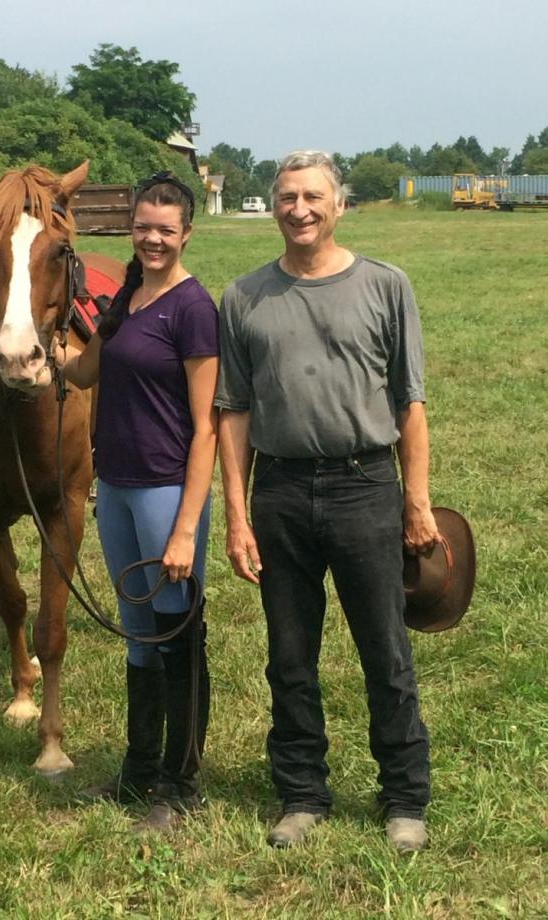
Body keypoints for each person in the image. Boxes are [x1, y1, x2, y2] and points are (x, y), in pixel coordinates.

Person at [215, 151, 439, 853]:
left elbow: (410, 403)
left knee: (385, 650)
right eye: (287, 197)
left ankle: (404, 796)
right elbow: (233, 412)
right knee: (289, 655)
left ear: (338, 205)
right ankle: (302, 794)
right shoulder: (243, 297)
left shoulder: (385, 285)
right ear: (274, 207)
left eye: (313, 196)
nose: (300, 209)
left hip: (365, 485)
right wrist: (237, 515)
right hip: (279, 491)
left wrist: (417, 502)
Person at [56, 173, 219, 833]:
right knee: (138, 637)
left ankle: (181, 785)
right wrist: (42, 352)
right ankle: (138, 771)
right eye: (144, 226)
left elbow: (207, 428)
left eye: (165, 229)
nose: (153, 238)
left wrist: (184, 530)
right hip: (117, 489)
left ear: (186, 234)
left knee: (177, 634)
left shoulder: (193, 308)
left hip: (166, 490)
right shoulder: (126, 295)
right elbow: (85, 369)